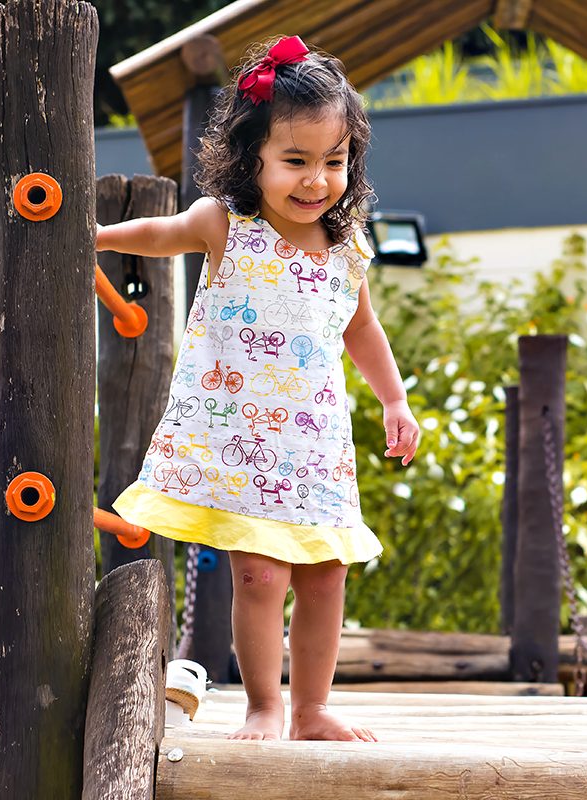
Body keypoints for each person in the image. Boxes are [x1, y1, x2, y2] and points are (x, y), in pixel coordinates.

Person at [97, 36, 418, 743]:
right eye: (295, 162)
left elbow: (360, 329)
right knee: (260, 580)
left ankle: (311, 708)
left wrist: (394, 399)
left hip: (314, 446)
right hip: (241, 443)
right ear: (253, 161)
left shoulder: (346, 247)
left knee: (327, 576)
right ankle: (265, 706)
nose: (316, 181)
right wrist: (91, 235)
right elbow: (160, 232)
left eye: (334, 162)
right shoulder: (227, 226)